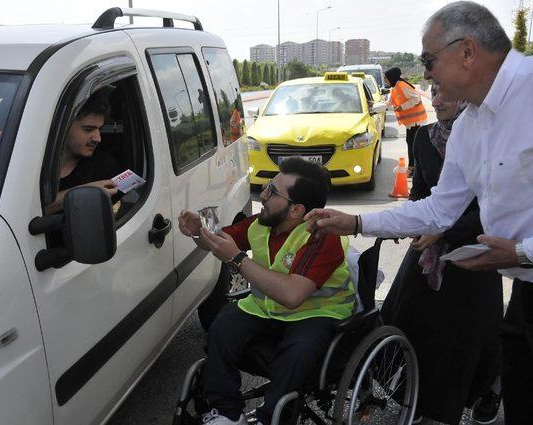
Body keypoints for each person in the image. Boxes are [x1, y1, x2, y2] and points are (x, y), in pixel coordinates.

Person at [305, 2, 533, 423]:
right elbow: (438, 208)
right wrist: (356, 222)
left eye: (429, 61)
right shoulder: (471, 125)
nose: (424, 75)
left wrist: (522, 252)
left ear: (467, 51)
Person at [178, 157, 353, 425]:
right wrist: (197, 232)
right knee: (221, 328)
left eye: (273, 192)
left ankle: (271, 418)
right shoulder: (261, 223)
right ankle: (225, 413)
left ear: (297, 210)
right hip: (265, 307)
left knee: (299, 352)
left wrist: (238, 259)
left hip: (315, 313)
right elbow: (219, 241)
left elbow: (293, 297)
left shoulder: (322, 236)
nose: (263, 194)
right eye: (268, 186)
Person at [380, 83, 502, 424]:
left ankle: (488, 389)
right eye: (433, 92)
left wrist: (446, 228)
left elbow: (495, 208)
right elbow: (420, 193)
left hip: (475, 252)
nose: (436, 100)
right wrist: (406, 224)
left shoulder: (490, 141)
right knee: (409, 317)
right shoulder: (425, 139)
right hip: (430, 251)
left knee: (472, 334)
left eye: (445, 93)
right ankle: (419, 398)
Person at [45, 91, 123, 214]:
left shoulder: (105, 168)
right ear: (63, 127)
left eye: (99, 129)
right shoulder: (34, 162)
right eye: (88, 129)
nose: (98, 138)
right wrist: (85, 193)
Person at [384, 67, 427, 177]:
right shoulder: (395, 87)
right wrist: (375, 107)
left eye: (386, 78)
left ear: (391, 77)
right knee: (411, 143)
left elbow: (416, 99)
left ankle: (413, 169)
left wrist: (402, 107)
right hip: (410, 122)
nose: (385, 80)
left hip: (416, 121)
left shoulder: (402, 86)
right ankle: (413, 168)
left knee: (413, 144)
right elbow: (390, 103)